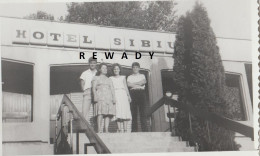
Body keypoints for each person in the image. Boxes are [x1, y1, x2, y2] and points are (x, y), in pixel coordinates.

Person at [92, 63, 116, 133]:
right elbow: (93, 88)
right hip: (100, 96)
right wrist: (95, 96)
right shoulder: (96, 78)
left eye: (106, 68)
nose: (105, 69)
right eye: (103, 68)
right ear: (100, 69)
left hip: (108, 97)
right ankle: (99, 129)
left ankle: (106, 130)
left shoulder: (109, 79)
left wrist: (114, 98)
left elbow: (112, 89)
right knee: (100, 113)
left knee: (107, 114)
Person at [110, 63, 132, 133]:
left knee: (124, 111)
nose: (116, 70)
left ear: (119, 70)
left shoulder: (123, 77)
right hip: (116, 94)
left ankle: (125, 130)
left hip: (123, 94)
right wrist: (113, 97)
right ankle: (119, 130)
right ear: (113, 70)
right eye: (114, 69)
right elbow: (112, 88)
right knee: (118, 112)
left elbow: (125, 87)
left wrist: (128, 96)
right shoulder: (111, 78)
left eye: (117, 69)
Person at [127, 62, 148, 132]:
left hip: (141, 93)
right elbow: (129, 85)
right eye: (134, 67)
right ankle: (134, 130)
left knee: (143, 113)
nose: (135, 68)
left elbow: (143, 82)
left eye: (136, 67)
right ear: (132, 68)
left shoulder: (142, 75)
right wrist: (138, 84)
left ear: (139, 68)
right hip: (133, 94)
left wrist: (134, 84)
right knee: (134, 113)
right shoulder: (129, 77)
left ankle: (145, 130)